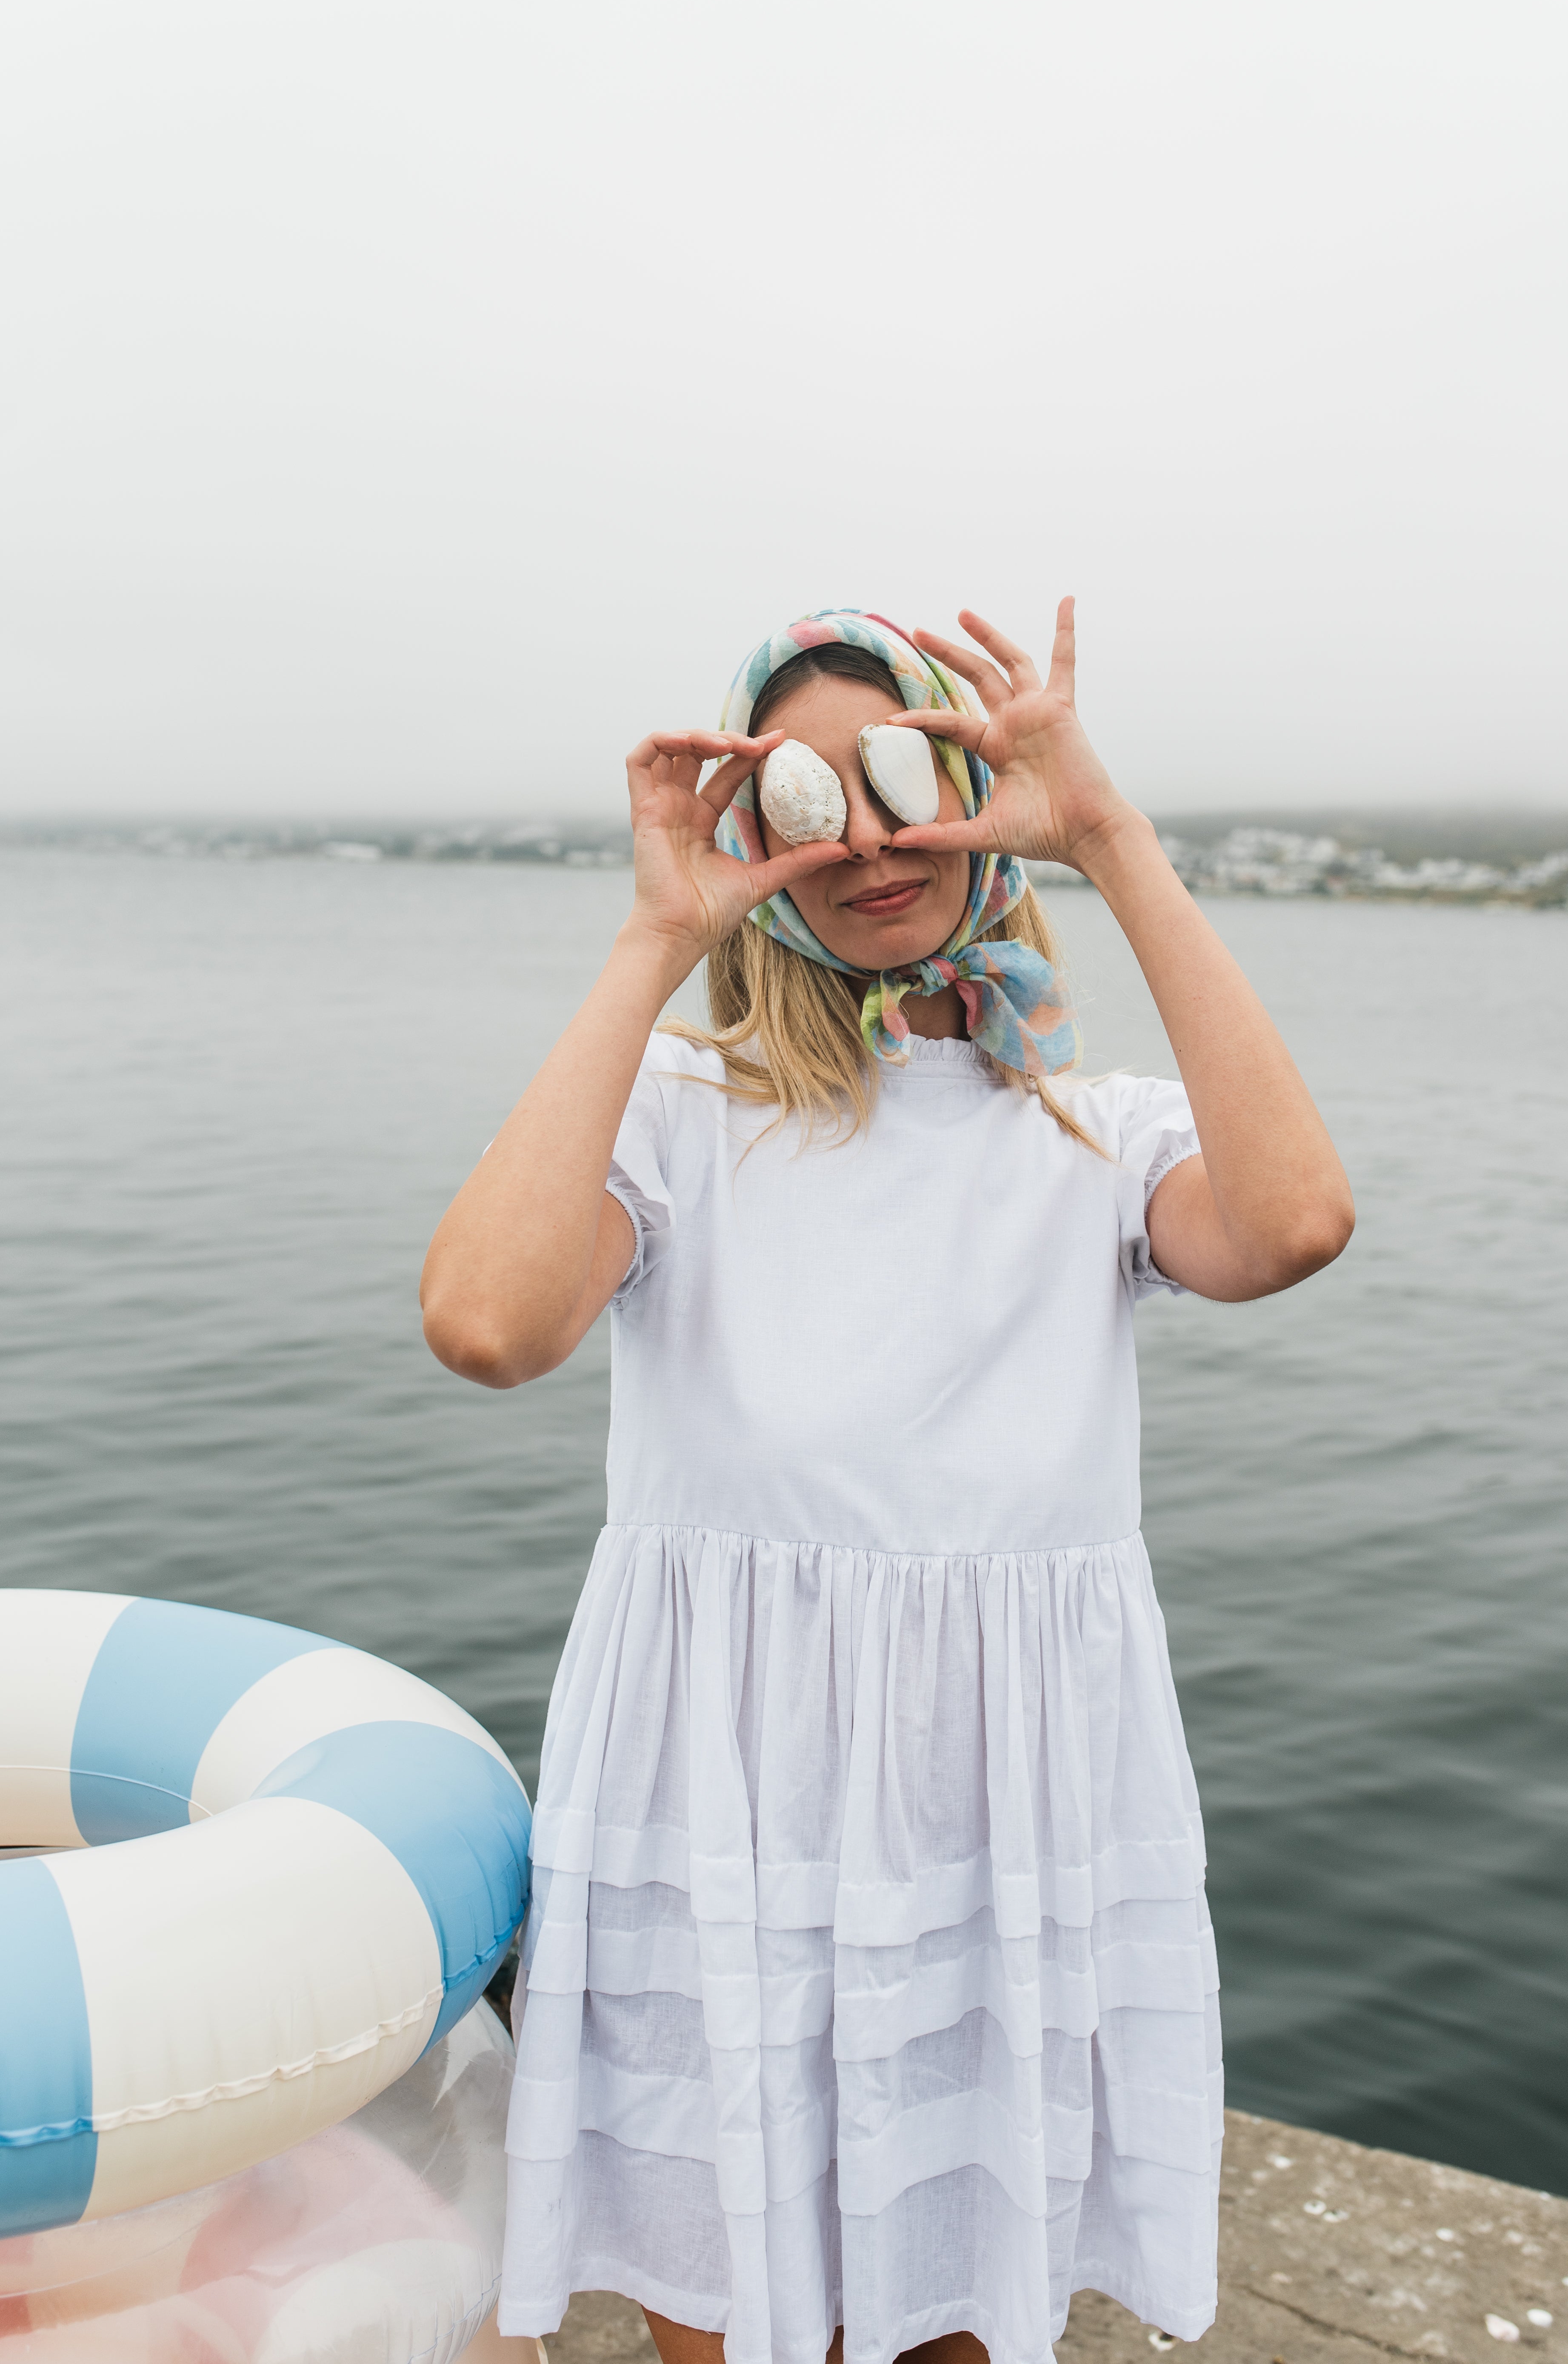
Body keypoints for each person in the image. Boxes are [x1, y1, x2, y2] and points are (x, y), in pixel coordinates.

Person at [420, 601, 1354, 2364]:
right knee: (721, 2315)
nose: (867, 840)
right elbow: (483, 1321)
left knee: (953, 2320)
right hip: (731, 1807)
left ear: (978, 790)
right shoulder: (683, 1119)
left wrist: (1109, 836)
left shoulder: (1095, 1142)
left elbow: (1293, 1220)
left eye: (909, 777)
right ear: (744, 832)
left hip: (984, 1831)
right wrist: (648, 938)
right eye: (802, 798)